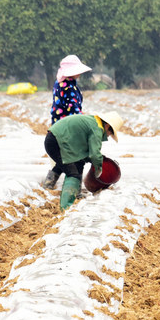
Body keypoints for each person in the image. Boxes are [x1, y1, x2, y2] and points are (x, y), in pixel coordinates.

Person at [44, 111, 123, 210]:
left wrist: (93, 159)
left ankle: (48, 185)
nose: (108, 136)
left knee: (74, 162)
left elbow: (86, 152)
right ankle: (66, 207)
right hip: (56, 141)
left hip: (56, 139)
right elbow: (94, 153)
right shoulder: (97, 129)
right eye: (110, 133)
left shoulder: (94, 122)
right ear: (107, 126)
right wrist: (98, 168)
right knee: (73, 173)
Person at [43, 54, 92, 190]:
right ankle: (73, 186)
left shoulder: (60, 83)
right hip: (67, 127)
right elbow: (73, 110)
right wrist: (84, 124)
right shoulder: (68, 87)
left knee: (64, 155)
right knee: (72, 155)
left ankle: (49, 182)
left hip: (59, 125)